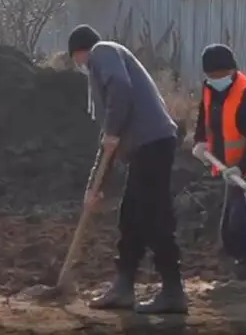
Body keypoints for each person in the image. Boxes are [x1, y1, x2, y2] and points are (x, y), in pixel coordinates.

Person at [67, 24, 187, 314]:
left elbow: (120, 90)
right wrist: (95, 189)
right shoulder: (105, 67)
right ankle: (124, 287)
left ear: (79, 52)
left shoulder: (102, 51)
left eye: (76, 60)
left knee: (153, 215)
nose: (80, 66)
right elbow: (108, 143)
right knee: (131, 215)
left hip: (153, 144)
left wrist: (112, 130)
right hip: (146, 147)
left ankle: (173, 291)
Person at [191, 44, 246, 280]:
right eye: (211, 76)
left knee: (242, 225)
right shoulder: (210, 89)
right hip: (232, 172)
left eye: (220, 75)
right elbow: (205, 118)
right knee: (229, 236)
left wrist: (240, 168)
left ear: (232, 70)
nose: (216, 80)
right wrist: (200, 141)